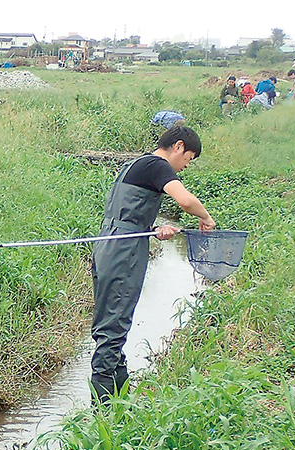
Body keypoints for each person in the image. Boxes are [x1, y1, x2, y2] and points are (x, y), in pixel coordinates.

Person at [89, 126, 216, 404]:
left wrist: (154, 228)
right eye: (189, 159)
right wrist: (205, 217)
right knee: (113, 328)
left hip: (109, 244)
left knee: (110, 326)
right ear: (179, 146)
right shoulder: (158, 166)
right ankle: (103, 415)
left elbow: (127, 216)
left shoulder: (135, 164)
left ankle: (120, 405)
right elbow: (185, 201)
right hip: (124, 252)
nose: (184, 167)